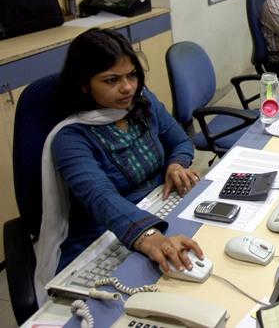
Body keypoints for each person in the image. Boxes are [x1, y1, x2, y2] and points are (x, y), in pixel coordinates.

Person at [34, 28, 203, 303]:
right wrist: (148, 236)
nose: (127, 87)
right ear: (84, 84)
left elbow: (182, 141)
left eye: (131, 75)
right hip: (105, 234)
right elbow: (101, 197)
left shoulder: (142, 104)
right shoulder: (71, 138)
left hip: (159, 209)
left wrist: (175, 164)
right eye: (111, 80)